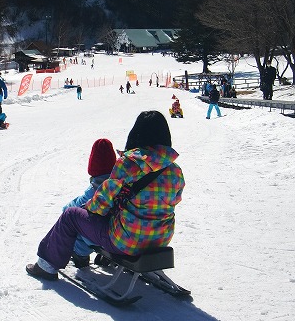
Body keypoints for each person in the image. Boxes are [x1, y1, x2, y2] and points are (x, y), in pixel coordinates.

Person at [26, 110, 185, 280]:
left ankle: (46, 266)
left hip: (126, 243)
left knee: (70, 215)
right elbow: (174, 200)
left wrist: (83, 209)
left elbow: (100, 203)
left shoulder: (129, 164)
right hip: (160, 241)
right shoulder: (175, 170)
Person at [62, 138, 118, 268]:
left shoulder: (94, 190)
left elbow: (73, 208)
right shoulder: (121, 184)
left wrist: (67, 208)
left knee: (78, 222)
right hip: (117, 234)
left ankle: (80, 255)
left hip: (100, 237)